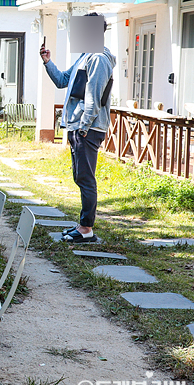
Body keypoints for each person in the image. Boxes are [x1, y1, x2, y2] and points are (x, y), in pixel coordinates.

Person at [40, 14, 115, 243]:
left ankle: (86, 229)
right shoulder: (85, 57)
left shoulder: (99, 59)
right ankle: (82, 224)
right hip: (79, 126)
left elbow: (93, 98)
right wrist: (47, 61)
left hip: (88, 128)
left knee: (86, 177)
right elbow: (63, 80)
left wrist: (83, 128)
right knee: (80, 175)